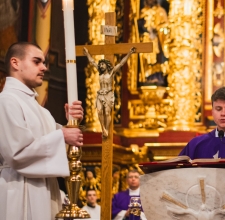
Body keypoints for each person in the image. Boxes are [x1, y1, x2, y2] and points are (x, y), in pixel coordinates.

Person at [0, 42, 84, 219]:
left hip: (45, 189)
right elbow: (17, 154)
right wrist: (62, 135)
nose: (44, 67)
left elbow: (64, 148)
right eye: (37, 61)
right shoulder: (6, 101)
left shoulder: (41, 110)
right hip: (20, 187)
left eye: (44, 62)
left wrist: (71, 123)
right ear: (15, 63)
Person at [83, 47, 135, 137]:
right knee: (99, 111)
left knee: (107, 113)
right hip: (100, 94)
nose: (101, 66)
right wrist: (87, 53)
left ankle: (106, 129)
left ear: (106, 65)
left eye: (103, 64)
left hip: (108, 94)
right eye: (101, 64)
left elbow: (121, 63)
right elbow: (92, 62)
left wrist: (129, 53)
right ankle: (103, 128)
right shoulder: (100, 73)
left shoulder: (111, 72)